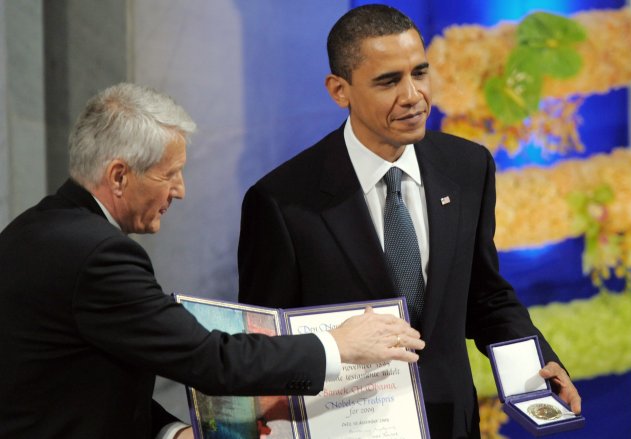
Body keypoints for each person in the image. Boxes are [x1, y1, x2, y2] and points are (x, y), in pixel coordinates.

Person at [0, 83, 424, 439]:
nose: (180, 191)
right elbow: (210, 360)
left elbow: (85, 383)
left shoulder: (31, 229)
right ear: (118, 176)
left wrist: (172, 433)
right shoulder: (99, 257)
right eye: (169, 174)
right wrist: (338, 345)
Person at [237, 4, 581, 438]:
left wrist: (536, 371)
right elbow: (266, 344)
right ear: (339, 90)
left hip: (453, 423)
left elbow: (486, 295)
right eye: (388, 81)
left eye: (420, 73)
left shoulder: (468, 166)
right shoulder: (282, 202)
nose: (413, 95)